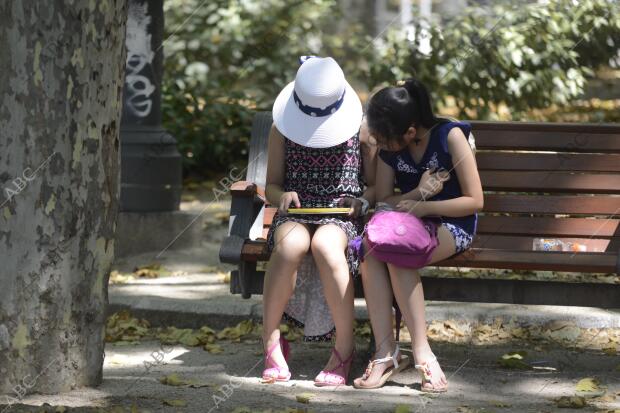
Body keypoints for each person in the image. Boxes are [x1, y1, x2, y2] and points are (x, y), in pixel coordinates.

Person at [352, 78, 483, 392]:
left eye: (385, 141)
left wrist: (424, 208)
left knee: (397, 255)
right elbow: (385, 201)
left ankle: (423, 352)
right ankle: (386, 353)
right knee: (372, 251)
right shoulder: (389, 150)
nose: (379, 146)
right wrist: (419, 192)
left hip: (453, 224)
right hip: (405, 224)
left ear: (409, 132)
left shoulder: (449, 137)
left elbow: (475, 201)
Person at [262, 56, 377, 386]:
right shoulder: (281, 127)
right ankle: (270, 343)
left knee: (327, 246)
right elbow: (272, 183)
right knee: (289, 246)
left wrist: (362, 200)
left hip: (340, 213)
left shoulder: (362, 129)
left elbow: (372, 184)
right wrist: (279, 196)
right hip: (297, 211)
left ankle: (344, 349)